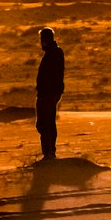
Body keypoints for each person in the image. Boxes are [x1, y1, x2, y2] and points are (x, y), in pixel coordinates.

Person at [35, 26, 65, 160]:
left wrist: (49, 92)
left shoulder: (54, 53)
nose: (41, 42)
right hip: (48, 93)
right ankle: (49, 151)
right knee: (47, 123)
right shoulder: (53, 52)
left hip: (48, 93)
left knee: (44, 123)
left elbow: (54, 75)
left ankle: (49, 152)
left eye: (42, 39)